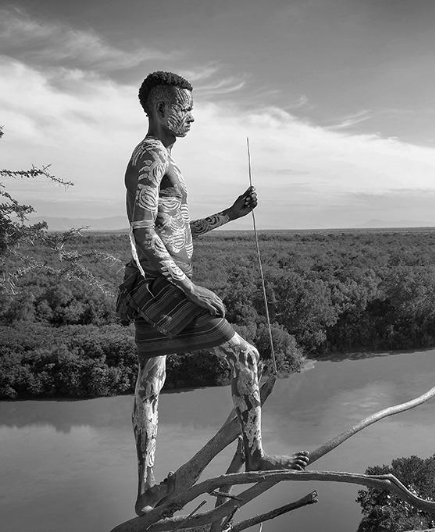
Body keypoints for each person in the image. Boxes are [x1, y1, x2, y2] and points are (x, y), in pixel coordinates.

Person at [122, 71, 308, 516]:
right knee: (245, 355)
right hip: (164, 285)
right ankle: (256, 454)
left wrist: (229, 214)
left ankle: (146, 489)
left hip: (152, 284)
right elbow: (143, 232)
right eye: (184, 108)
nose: (192, 117)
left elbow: (177, 230)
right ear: (161, 109)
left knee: (151, 381)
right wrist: (190, 289)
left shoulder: (161, 157)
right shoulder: (151, 155)